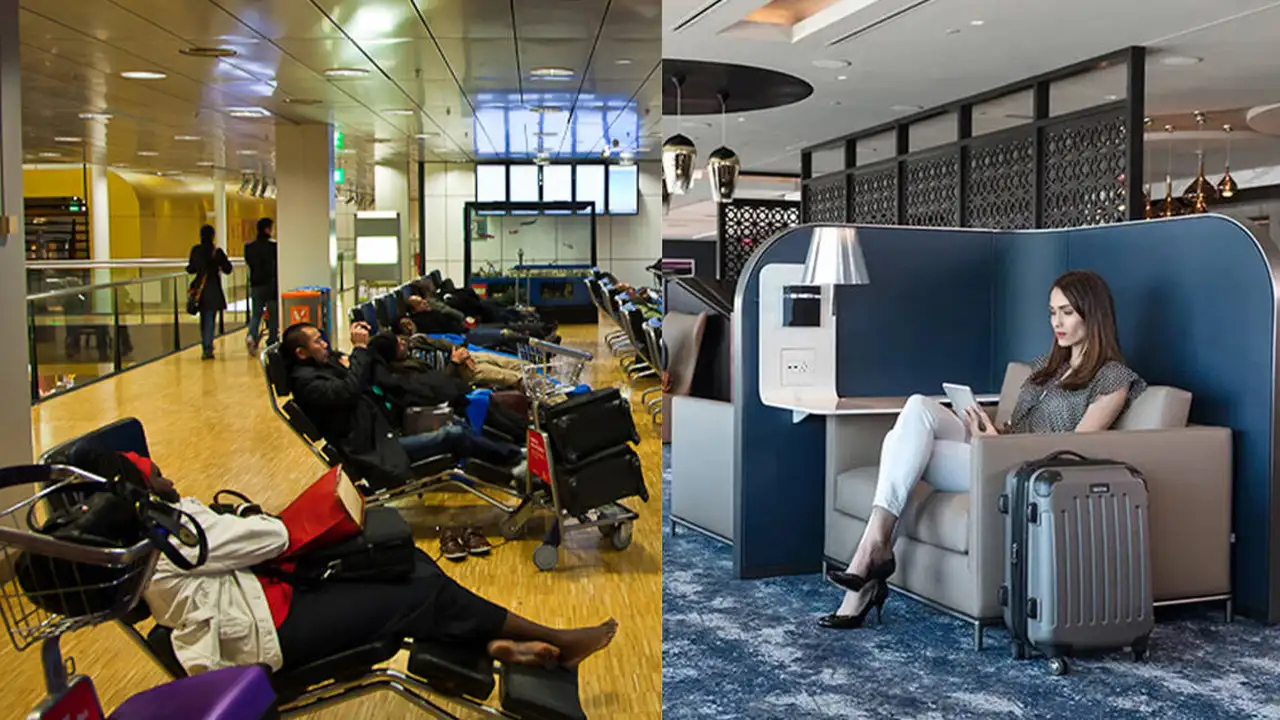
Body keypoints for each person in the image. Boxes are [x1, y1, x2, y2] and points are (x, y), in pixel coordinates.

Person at [64, 450, 620, 677]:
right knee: (414, 592)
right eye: (155, 469)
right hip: (260, 636)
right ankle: (555, 643)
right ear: (144, 489)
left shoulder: (163, 526)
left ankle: (492, 644)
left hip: (263, 600)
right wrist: (230, 517)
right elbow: (272, 537)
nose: (167, 472)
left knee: (412, 569)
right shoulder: (176, 527)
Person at [820, 270, 1148, 630]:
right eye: (1052, 312)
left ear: (1093, 313)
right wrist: (987, 429)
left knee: (903, 450)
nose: (1057, 321)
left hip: (1029, 469)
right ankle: (875, 550)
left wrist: (997, 443)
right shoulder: (1045, 365)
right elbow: (1016, 423)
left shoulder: (1113, 377)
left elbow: (1076, 451)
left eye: (1067, 312)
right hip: (997, 445)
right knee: (916, 408)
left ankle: (865, 570)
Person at [281, 321, 524, 492]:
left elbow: (357, 380)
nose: (325, 344)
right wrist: (359, 351)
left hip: (384, 432)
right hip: (376, 450)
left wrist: (353, 357)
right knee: (455, 434)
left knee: (456, 421)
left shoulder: (321, 369)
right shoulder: (307, 383)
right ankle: (517, 462)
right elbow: (348, 390)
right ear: (301, 353)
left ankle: (514, 462)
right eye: (317, 342)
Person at [186, 224, 233, 360]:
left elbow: (191, 269)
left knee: (203, 318)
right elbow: (228, 269)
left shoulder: (196, 250)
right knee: (210, 319)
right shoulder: (216, 252)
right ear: (213, 236)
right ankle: (207, 347)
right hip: (213, 289)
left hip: (200, 289)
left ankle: (206, 345)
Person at [244, 217, 278, 354]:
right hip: (271, 284)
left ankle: (251, 335)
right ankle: (272, 340)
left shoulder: (249, 248)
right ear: (267, 229)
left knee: (256, 313)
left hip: (256, 284)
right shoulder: (273, 248)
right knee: (273, 314)